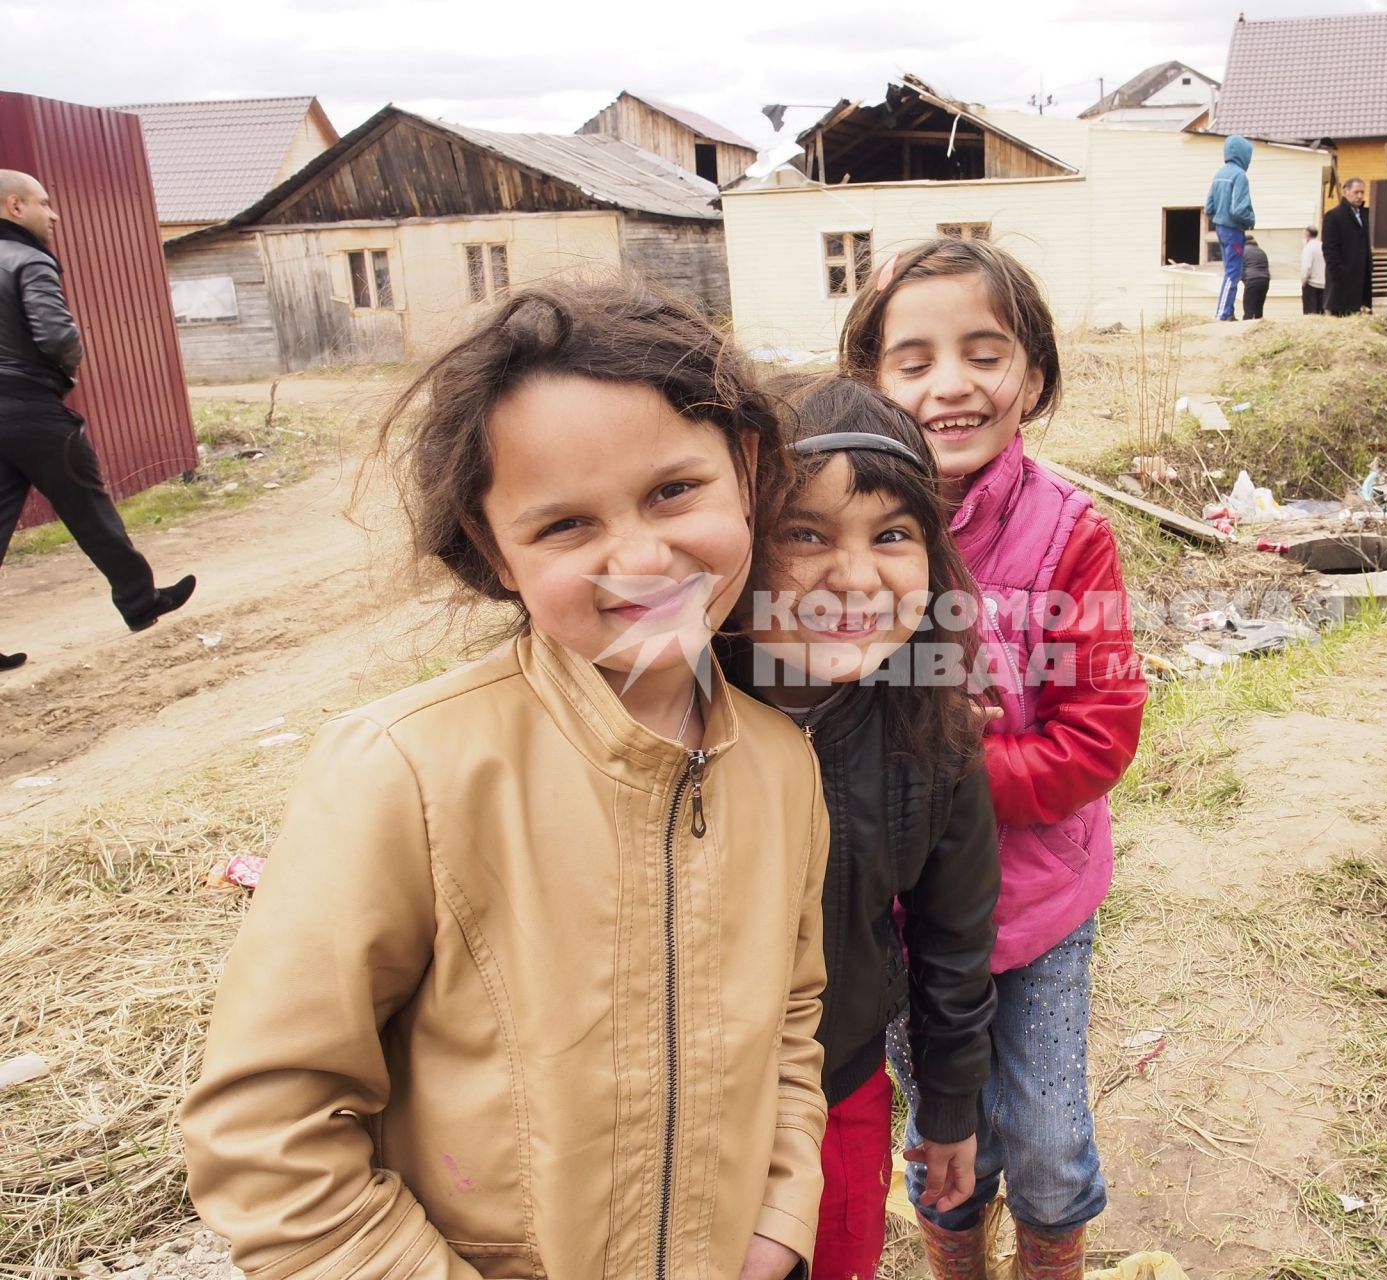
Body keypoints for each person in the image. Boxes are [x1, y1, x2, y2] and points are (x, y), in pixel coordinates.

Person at [181, 282, 833, 1280]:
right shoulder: (405, 770)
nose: (643, 556)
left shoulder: (784, 766)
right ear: (494, 552)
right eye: (567, 525)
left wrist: (777, 1219)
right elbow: (269, 1129)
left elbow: (792, 1023)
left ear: (745, 472)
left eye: (673, 490)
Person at [840, 237, 1147, 1279]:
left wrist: (957, 776)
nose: (951, 384)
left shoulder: (1071, 535)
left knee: (1051, 1147)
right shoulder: (833, 542)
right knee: (946, 1144)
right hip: (906, 921)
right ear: (870, 383)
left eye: (984, 351)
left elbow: (1100, 730)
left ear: (1034, 375)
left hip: (1037, 905)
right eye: (912, 359)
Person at [730, 377, 999, 1280]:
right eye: (805, 534)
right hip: (682, 1103)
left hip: (840, 1084)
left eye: (891, 536)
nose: (853, 577)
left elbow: (954, 938)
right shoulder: (673, 713)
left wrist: (951, 1107)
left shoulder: (938, 734)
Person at [0, 169, 194, 669]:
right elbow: (58, 338)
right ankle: (140, 600)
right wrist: (60, 376)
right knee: (88, 507)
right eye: (44, 203)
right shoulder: (27, 260)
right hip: (32, 408)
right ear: (15, 207)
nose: (54, 213)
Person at [1205, 135, 1255, 321]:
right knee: (1233, 271)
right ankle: (1223, 313)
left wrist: (1219, 218)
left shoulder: (1219, 174)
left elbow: (1209, 207)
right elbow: (1238, 209)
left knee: (1231, 269)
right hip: (1233, 229)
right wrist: (1250, 219)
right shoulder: (1239, 176)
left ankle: (1229, 311)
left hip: (1220, 228)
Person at [1321, 177, 1373, 316]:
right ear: (1345, 191)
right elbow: (1329, 250)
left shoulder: (1364, 215)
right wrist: (1341, 275)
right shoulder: (1334, 216)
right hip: (1342, 289)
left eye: (1362, 192)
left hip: (1361, 287)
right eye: (1356, 192)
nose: (1360, 196)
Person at [1241, 234, 1271, 319]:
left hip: (1252, 280)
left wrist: (1243, 279)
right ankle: (1259, 327)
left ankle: (1247, 328)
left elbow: (1240, 268)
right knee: (1259, 308)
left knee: (1248, 308)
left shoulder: (1243, 251)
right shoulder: (1261, 251)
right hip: (1265, 280)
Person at [1299, 227, 1326, 315]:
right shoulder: (1322, 245)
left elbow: (1307, 267)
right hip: (1324, 284)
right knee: (1321, 314)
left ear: (1307, 234)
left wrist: (1303, 281)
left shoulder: (1308, 248)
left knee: (1310, 314)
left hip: (1311, 285)